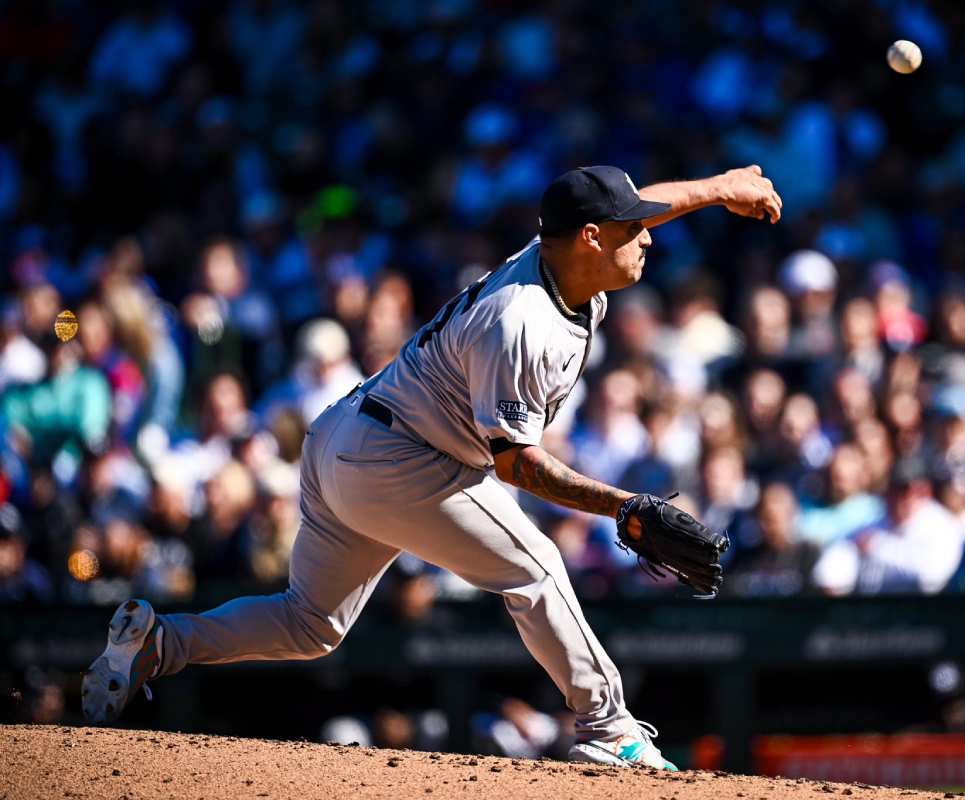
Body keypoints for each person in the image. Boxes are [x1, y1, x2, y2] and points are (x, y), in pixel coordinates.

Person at [82, 164, 781, 771]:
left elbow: (642, 202)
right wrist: (624, 507)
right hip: (402, 456)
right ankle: (609, 729)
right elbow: (515, 467)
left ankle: (159, 644)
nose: (650, 233)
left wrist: (720, 189)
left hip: (351, 437)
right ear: (593, 238)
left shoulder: (562, 253)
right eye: (633, 228)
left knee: (309, 626)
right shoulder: (524, 320)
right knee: (534, 565)